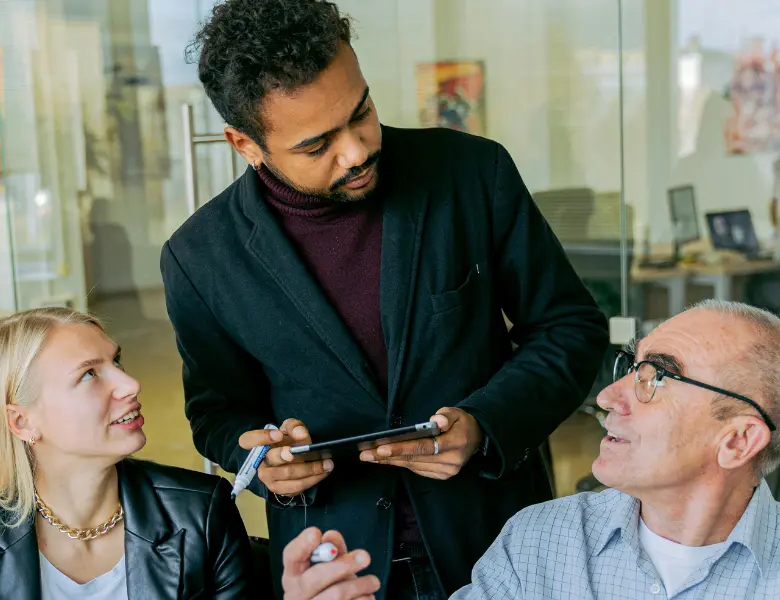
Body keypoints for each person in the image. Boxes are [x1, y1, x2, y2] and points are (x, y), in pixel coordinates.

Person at [161, 0, 608, 596]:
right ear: (244, 143)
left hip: (498, 541)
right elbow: (216, 413)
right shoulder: (198, 257)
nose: (356, 150)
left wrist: (484, 425)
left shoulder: (472, 172)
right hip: (333, 564)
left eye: (361, 111)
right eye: (318, 145)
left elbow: (570, 329)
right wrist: (263, 463)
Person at [281, 299, 780, 599]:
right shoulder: (540, 541)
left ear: (738, 440)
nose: (608, 398)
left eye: (658, 378)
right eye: (631, 366)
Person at [0, 308, 254, 599]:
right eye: (89, 374)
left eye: (116, 361)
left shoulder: (199, 514)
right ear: (23, 422)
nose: (130, 383)